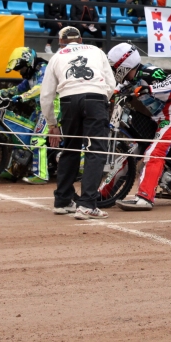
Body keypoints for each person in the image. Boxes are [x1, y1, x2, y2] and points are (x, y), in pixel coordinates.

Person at [40, 26, 116, 220]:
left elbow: (46, 95)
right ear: (81, 40)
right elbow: (111, 84)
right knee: (95, 151)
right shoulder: (96, 51)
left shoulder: (56, 56)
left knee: (71, 149)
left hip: (68, 101)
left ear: (60, 42)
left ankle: (63, 200)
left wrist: (52, 124)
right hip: (95, 97)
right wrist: (102, 100)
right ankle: (87, 205)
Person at [107, 43, 171, 211]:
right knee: (132, 152)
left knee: (153, 152)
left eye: (114, 68)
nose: (113, 72)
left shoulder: (150, 72)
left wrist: (149, 88)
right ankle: (103, 195)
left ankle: (145, 198)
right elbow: (113, 90)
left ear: (123, 65)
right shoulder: (129, 81)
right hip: (156, 117)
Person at [0, 47, 55, 184]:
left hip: (52, 109)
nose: (19, 72)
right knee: (22, 137)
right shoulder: (31, 74)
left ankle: (41, 175)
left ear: (28, 63)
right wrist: (2, 92)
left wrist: (23, 97)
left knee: (36, 139)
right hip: (40, 109)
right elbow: (18, 88)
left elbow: (40, 87)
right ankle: (15, 170)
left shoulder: (43, 69)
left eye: (20, 68)